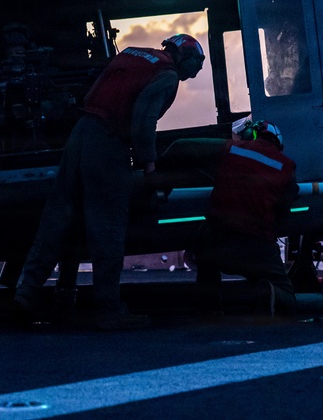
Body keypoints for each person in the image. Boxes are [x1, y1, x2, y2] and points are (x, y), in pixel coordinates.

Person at [14, 33, 205, 329]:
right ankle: (108, 309)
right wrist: (149, 162)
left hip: (80, 134)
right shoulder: (167, 75)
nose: (198, 71)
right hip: (107, 142)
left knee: (56, 219)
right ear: (187, 58)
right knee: (108, 227)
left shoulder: (133, 53)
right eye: (198, 64)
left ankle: (25, 295)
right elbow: (144, 117)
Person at [194, 120, 299, 317]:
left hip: (218, 240)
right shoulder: (285, 167)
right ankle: (269, 292)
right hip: (256, 245)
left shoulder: (230, 150)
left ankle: (209, 310)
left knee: (204, 245)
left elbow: (190, 151)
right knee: (288, 298)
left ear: (251, 134)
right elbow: (284, 215)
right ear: (278, 143)